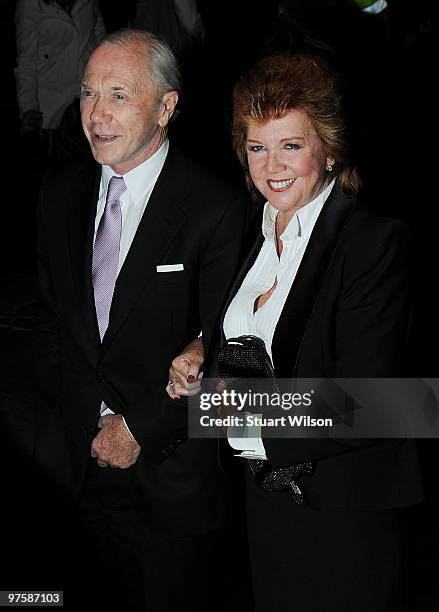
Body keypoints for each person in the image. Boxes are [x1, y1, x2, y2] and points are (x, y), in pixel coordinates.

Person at [167, 53, 423, 611]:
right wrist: (202, 354)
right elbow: (262, 334)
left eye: (291, 145)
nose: (272, 166)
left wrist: (224, 411)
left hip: (343, 514)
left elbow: (377, 404)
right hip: (264, 506)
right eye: (257, 146)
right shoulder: (247, 232)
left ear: (328, 149)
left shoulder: (373, 244)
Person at [37, 28, 248, 612]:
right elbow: (53, 320)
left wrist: (137, 428)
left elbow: (230, 351)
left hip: (168, 478)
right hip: (72, 475)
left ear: (167, 106)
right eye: (86, 93)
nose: (96, 113)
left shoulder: (215, 208)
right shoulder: (60, 192)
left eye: (118, 94)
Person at [14, 0, 105, 157]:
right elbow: (26, 59)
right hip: (48, 109)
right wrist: (29, 107)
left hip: (87, 101)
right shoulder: (31, 5)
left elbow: (100, 39)